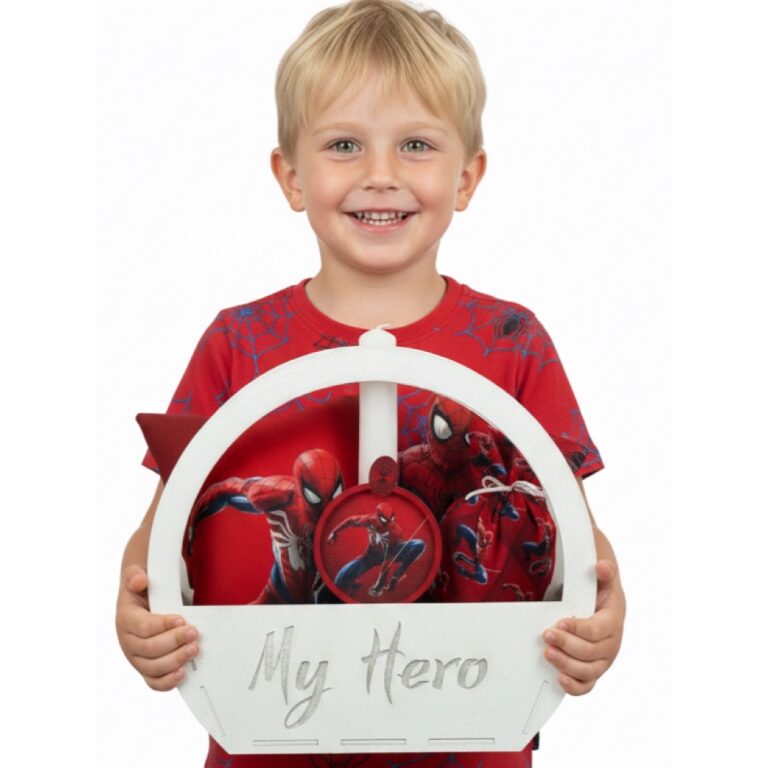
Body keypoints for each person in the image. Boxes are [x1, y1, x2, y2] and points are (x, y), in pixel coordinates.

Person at [115, 1, 626, 766]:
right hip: (273, 726)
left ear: (467, 176)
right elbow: (162, 534)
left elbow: (576, 539)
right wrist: (141, 612)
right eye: (344, 145)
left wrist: (602, 616)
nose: (380, 175)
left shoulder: (512, 342)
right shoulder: (236, 343)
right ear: (291, 176)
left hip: (466, 733)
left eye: (415, 144)